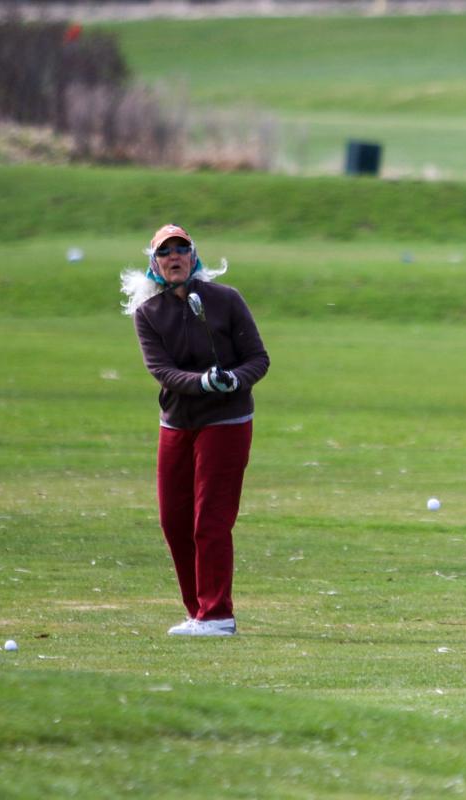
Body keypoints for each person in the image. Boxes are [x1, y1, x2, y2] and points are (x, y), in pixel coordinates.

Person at [120, 224, 269, 636]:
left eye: (181, 249)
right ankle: (199, 612)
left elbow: (258, 359)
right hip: (177, 422)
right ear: (154, 264)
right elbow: (162, 371)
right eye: (165, 252)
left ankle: (218, 614)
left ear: (193, 256)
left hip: (227, 421)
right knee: (174, 520)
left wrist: (234, 380)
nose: (174, 257)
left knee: (211, 519)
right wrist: (202, 382)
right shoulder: (149, 314)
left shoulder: (225, 300)